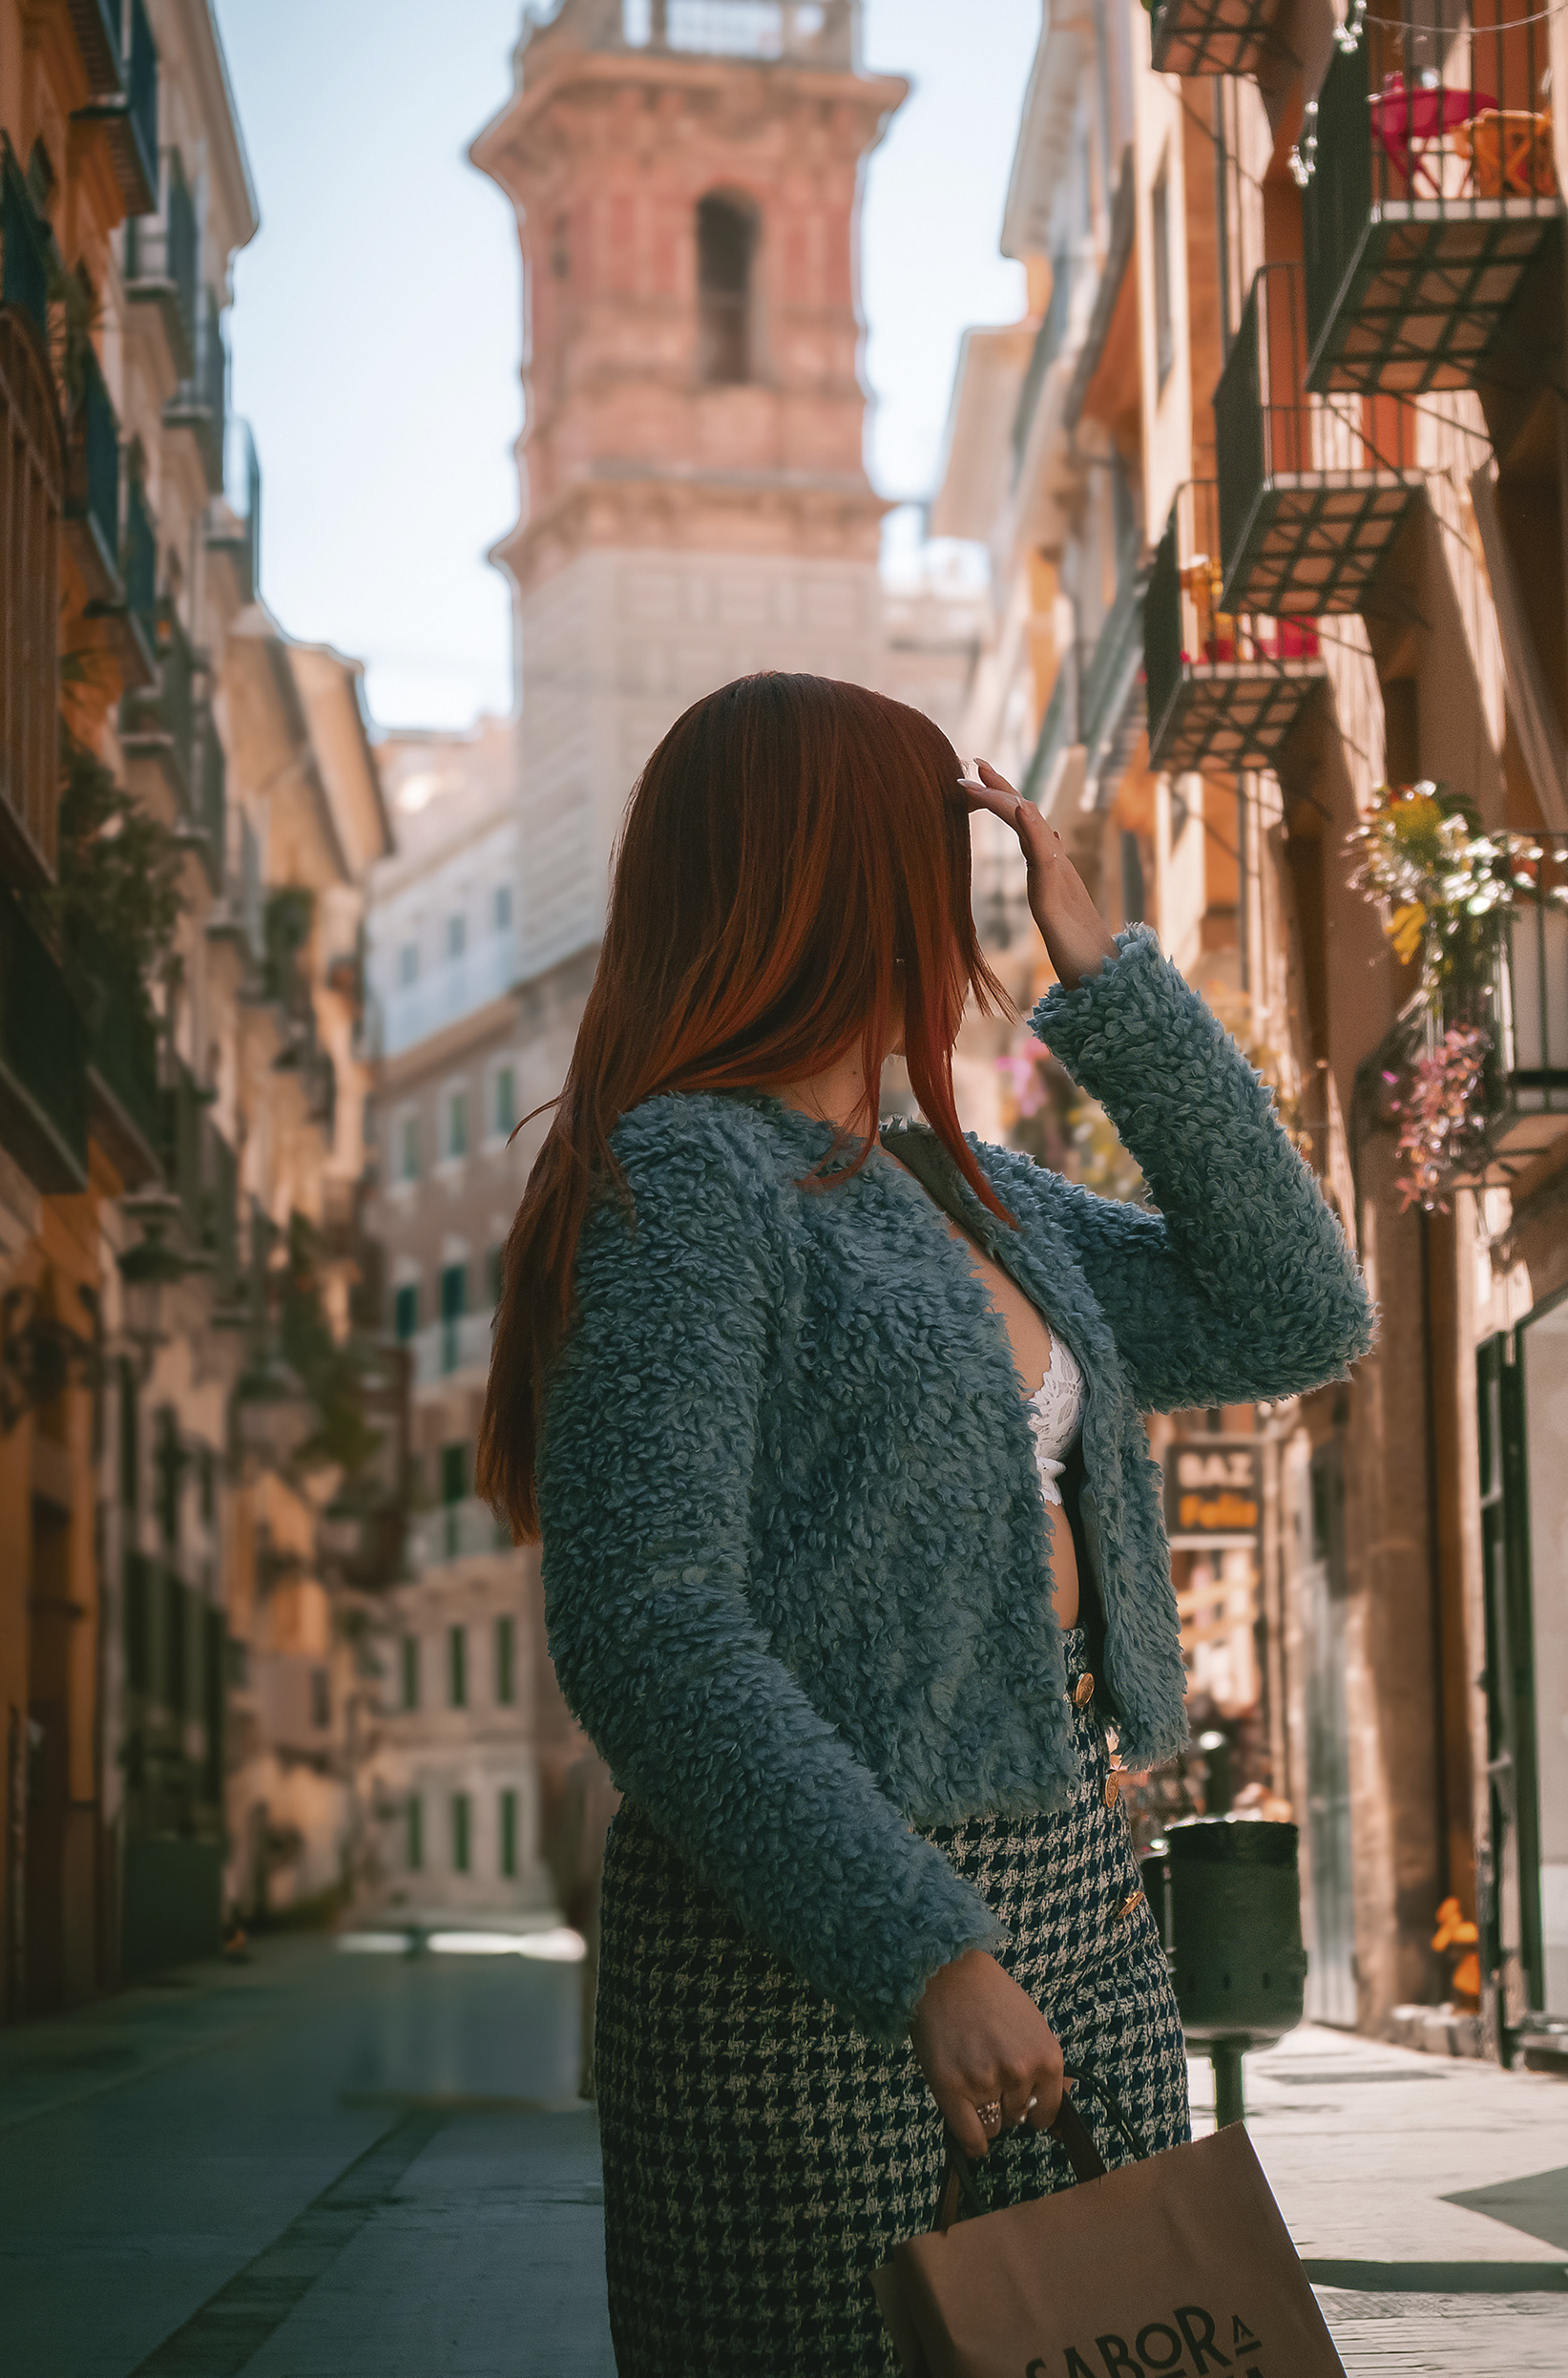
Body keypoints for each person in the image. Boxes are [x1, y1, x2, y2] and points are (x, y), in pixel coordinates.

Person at [477, 675, 1373, 2378]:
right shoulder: (681, 1177)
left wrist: (1111, 987)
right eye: (939, 854)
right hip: (807, 1948)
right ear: (838, 876)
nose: (966, 907)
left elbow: (1296, 1312)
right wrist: (926, 1952)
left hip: (1081, 1899)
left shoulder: (965, 1183)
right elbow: (647, 1624)